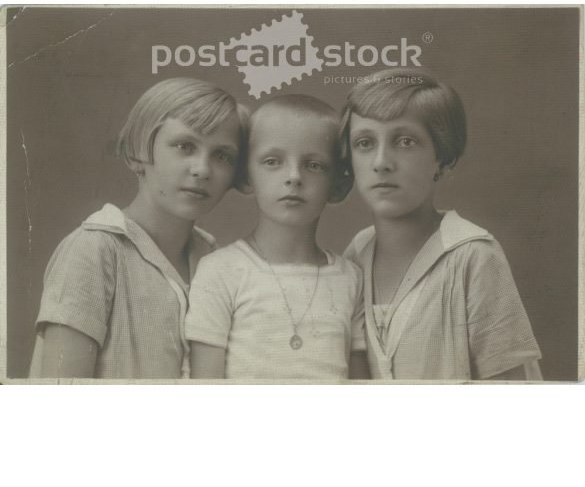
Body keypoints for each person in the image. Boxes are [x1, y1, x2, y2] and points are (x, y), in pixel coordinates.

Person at [29, 78, 249, 379]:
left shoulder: (214, 259)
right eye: (185, 146)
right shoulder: (95, 249)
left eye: (222, 155)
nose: (202, 169)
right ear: (137, 154)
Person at [341, 68, 542, 380]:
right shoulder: (355, 255)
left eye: (405, 141)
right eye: (364, 143)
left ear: (443, 158)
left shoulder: (472, 256)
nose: (381, 161)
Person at [185, 94, 369, 379]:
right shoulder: (220, 271)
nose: (294, 176)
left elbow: (363, 391)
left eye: (314, 165)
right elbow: (205, 388)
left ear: (339, 184)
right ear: (246, 176)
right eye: (272, 161)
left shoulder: (351, 279)